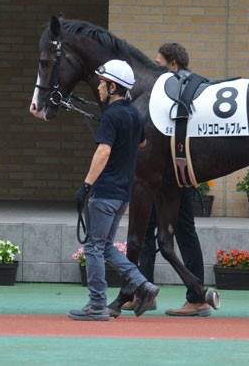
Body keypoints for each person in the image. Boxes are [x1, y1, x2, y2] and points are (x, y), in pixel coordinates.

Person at [122, 43, 210, 317]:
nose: (156, 69)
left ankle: (197, 297)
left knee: (182, 231)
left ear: (172, 65)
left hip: (174, 178)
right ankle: (142, 292)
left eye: (160, 64)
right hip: (162, 177)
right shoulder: (178, 92)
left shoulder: (181, 92)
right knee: (149, 231)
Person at [68, 59, 159, 321]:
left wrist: (86, 184)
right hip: (122, 194)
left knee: (94, 248)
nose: (98, 86)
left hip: (105, 191)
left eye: (102, 82)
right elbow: (141, 143)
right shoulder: (133, 113)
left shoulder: (111, 115)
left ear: (113, 86)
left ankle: (97, 304)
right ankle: (143, 285)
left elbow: (104, 151)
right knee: (106, 246)